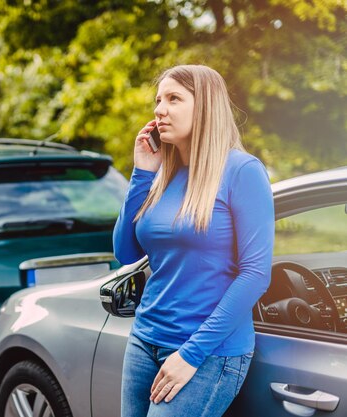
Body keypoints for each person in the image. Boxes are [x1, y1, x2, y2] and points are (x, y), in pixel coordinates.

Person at [113, 64, 274, 417]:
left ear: (205, 106)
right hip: (144, 339)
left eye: (174, 98)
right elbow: (125, 252)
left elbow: (256, 274)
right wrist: (141, 172)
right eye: (158, 100)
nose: (159, 109)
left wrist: (191, 354)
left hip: (208, 351)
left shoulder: (242, 171)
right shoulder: (163, 174)